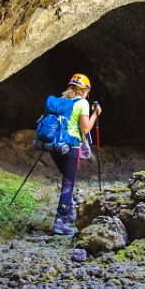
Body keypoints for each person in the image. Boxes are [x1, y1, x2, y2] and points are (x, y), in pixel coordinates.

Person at [48, 73, 101, 236]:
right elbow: (85, 128)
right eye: (87, 91)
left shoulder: (61, 101)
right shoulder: (82, 103)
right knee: (68, 184)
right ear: (84, 90)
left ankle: (69, 214)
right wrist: (95, 114)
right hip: (70, 147)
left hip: (54, 146)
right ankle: (60, 221)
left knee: (67, 180)